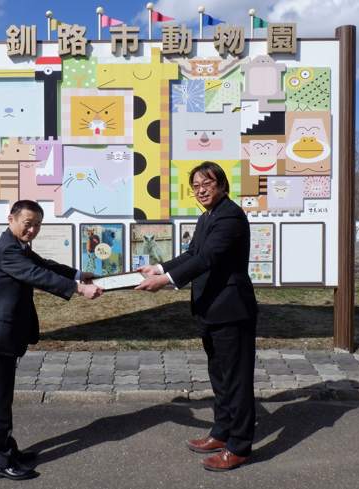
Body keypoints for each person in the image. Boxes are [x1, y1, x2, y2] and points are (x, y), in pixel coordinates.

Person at [136, 161, 258, 472]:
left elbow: (207, 258)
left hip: (231, 311)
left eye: (207, 183)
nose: (201, 190)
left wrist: (165, 282)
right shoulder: (208, 217)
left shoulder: (230, 216)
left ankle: (240, 446)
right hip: (211, 309)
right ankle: (221, 432)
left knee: (237, 381)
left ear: (222, 185)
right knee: (220, 378)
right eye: (196, 186)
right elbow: (192, 253)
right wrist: (160, 268)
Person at [0, 200, 103, 481]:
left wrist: (79, 274)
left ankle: (8, 449)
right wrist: (79, 289)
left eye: (37, 225)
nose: (32, 229)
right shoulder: (7, 248)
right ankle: (1, 460)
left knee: (3, 397)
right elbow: (37, 275)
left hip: (6, 332)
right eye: (28, 223)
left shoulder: (18, 245)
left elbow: (44, 264)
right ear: (12, 218)